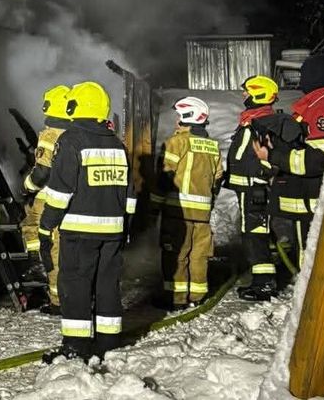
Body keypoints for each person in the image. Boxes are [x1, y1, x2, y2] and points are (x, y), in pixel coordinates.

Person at [254, 54, 324, 338]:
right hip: (313, 206)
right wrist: (272, 156)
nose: (300, 80)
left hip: (318, 206)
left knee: (323, 272)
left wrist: (275, 154)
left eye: (304, 74)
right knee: (320, 269)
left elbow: (319, 161)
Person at [39, 81, 135, 361]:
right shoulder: (117, 145)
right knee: (107, 285)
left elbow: (59, 192)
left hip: (80, 233)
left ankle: (76, 347)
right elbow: (130, 194)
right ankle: (108, 344)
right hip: (113, 232)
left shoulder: (71, 141)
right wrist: (125, 227)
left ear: (74, 107)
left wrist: (47, 224)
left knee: (76, 286)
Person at [151, 96, 223, 308]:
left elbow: (164, 178)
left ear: (187, 117)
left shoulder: (176, 143)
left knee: (176, 256)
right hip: (203, 216)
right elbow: (217, 179)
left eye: (179, 117)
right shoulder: (212, 146)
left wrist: (154, 208)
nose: (176, 122)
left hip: (178, 213)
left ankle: (176, 298)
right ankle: (197, 297)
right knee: (199, 256)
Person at [226, 74, 280, 300]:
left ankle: (264, 284)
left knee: (255, 234)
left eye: (247, 91)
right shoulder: (254, 120)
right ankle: (263, 280)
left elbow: (269, 158)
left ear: (259, 94)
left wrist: (259, 182)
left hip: (255, 190)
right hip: (248, 189)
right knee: (254, 232)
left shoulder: (263, 123)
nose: (243, 95)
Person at [20, 84, 71, 312]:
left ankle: (37, 263)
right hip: (72, 198)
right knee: (62, 244)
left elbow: (42, 171)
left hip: (49, 195)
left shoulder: (50, 135)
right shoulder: (75, 133)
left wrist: (28, 186)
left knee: (32, 227)